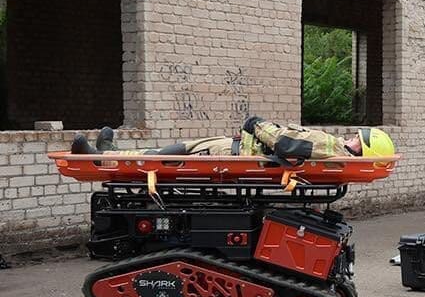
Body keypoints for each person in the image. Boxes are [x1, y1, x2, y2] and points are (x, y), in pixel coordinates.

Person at [71, 117, 395, 160]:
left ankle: (101, 157)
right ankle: (110, 152)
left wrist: (258, 124)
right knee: (168, 152)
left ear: (362, 146)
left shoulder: (332, 148)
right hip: (237, 147)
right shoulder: (335, 152)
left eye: (358, 137)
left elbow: (286, 144)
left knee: (166, 156)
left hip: (236, 152)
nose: (352, 135)